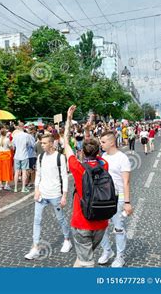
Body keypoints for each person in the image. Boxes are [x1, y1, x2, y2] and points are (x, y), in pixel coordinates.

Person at [64, 105, 109, 267]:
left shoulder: (77, 167)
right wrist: (88, 132)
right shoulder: (104, 164)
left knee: (87, 262)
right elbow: (92, 148)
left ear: (81, 151)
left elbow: (65, 143)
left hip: (82, 222)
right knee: (83, 257)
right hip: (101, 223)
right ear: (98, 152)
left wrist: (69, 120)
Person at [24, 133, 71, 260]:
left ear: (51, 143)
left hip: (55, 194)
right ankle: (35, 248)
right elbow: (38, 175)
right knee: (37, 220)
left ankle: (67, 240)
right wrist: (36, 190)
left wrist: (64, 195)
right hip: (42, 194)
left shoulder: (60, 157)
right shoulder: (40, 157)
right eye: (41, 143)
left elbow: (64, 177)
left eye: (44, 143)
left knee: (60, 219)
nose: (42, 145)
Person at [98, 131, 133, 268]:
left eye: (103, 142)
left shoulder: (122, 158)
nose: (101, 144)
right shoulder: (103, 156)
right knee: (101, 227)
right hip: (103, 198)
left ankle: (120, 257)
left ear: (112, 142)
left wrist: (127, 202)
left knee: (118, 228)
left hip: (118, 198)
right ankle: (107, 251)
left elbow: (126, 182)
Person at [12, 124, 32, 193]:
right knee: (24, 172)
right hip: (24, 155)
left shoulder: (15, 135)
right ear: (23, 127)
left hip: (17, 155)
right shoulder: (26, 135)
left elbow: (13, 146)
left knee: (16, 172)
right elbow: (29, 144)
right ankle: (23, 188)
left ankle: (15, 188)